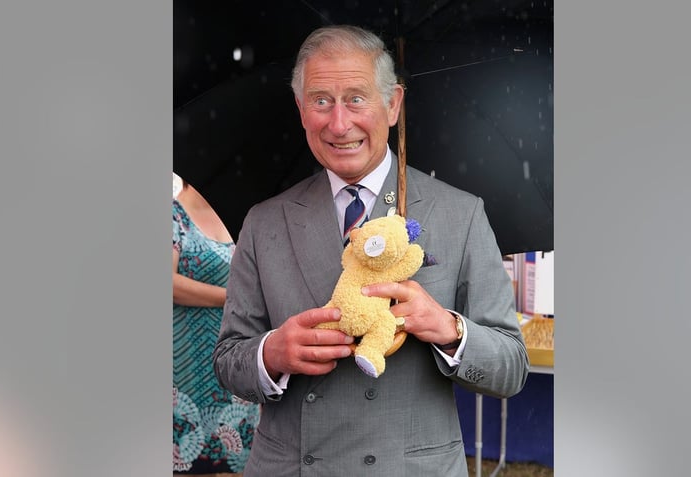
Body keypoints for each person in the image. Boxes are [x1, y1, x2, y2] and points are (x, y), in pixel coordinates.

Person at [212, 25, 528, 476]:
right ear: (301, 111)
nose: (339, 124)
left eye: (357, 98)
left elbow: (511, 367)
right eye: (321, 101)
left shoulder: (461, 213)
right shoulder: (265, 221)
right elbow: (227, 361)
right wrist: (271, 355)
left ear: (393, 104)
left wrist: (448, 328)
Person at [172, 172, 259, 475]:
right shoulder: (172, 213)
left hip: (236, 359)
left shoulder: (248, 216)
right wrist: (232, 297)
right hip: (187, 365)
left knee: (236, 461)